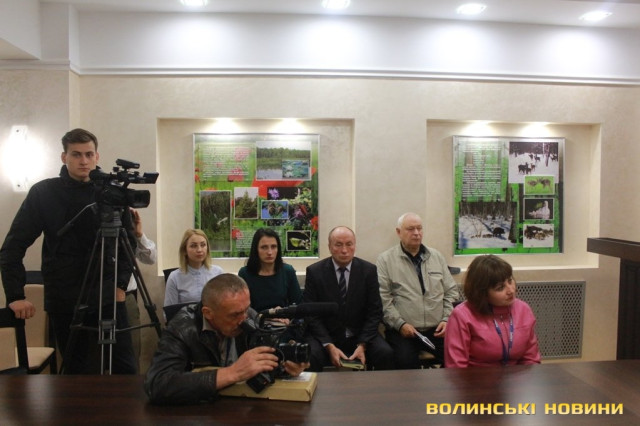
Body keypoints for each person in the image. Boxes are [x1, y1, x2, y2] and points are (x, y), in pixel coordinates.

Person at [0, 128, 137, 374]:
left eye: (89, 154)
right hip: (65, 297)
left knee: (124, 369)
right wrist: (15, 295)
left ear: (97, 156)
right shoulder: (43, 193)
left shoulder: (112, 193)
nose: (83, 161)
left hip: (107, 294)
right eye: (76, 154)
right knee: (77, 372)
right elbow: (13, 246)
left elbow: (129, 242)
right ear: (64, 157)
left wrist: (120, 286)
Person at [145, 273, 309, 405]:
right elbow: (157, 385)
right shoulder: (181, 329)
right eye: (234, 315)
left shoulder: (248, 316)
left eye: (246, 309)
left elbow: (268, 356)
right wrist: (232, 373)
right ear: (208, 313)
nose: (244, 319)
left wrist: (286, 367)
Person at [303, 226, 394, 371]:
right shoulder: (315, 272)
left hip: (360, 334)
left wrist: (362, 345)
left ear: (355, 245)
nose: (344, 250)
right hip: (327, 335)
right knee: (312, 355)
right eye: (338, 245)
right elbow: (311, 315)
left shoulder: (368, 271)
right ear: (330, 247)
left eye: (349, 244)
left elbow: (375, 311)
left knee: (385, 353)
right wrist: (329, 346)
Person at [376, 212, 459, 368]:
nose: (416, 233)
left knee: (457, 360)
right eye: (410, 229)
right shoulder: (386, 260)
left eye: (419, 228)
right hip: (404, 331)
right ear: (399, 232)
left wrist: (446, 319)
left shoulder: (436, 257)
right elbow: (383, 299)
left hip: (437, 329)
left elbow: (451, 292)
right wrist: (400, 324)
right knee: (405, 365)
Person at [445, 255, 541, 367]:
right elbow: (456, 368)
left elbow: (531, 360)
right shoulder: (462, 315)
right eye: (500, 288)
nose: (510, 290)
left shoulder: (523, 309)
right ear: (482, 293)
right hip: (475, 377)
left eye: (510, 281)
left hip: (518, 377)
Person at [238, 228, 302, 313]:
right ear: (256, 249)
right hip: (256, 320)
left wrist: (284, 313)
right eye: (264, 247)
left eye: (273, 247)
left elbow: (298, 305)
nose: (269, 252)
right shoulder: (245, 274)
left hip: (284, 319)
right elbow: (244, 309)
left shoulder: (288, 271)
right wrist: (266, 315)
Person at [125, 208, 157, 370]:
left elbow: (150, 258)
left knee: (131, 348)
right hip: (97, 295)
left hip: (127, 297)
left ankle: (131, 381)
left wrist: (138, 234)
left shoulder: (128, 236)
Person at [164, 229, 223, 309]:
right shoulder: (174, 277)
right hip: (185, 317)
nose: (199, 250)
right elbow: (169, 311)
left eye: (203, 245)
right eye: (193, 246)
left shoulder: (218, 273)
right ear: (185, 250)